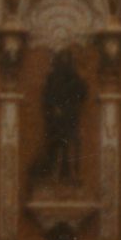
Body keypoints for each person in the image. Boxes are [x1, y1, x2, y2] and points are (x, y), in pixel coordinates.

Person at [29, 44, 88, 190]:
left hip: (69, 118)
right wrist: (55, 109)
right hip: (57, 121)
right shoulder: (53, 78)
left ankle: (71, 174)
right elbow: (48, 98)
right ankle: (55, 175)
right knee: (57, 147)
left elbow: (82, 94)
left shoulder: (73, 77)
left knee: (71, 146)